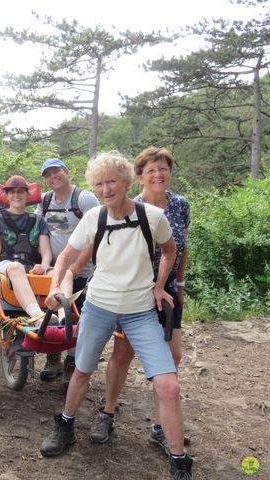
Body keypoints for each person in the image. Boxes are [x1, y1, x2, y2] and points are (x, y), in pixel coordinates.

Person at [39, 152, 193, 480]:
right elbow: (66, 256)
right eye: (99, 184)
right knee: (81, 372)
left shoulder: (152, 217)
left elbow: (171, 250)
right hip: (99, 306)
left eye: (111, 181)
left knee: (168, 385)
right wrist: (55, 287)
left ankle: (179, 460)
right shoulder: (94, 217)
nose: (106, 189)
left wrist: (160, 284)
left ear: (125, 182)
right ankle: (66, 425)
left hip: (140, 312)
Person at [90, 147, 190, 453]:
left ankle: (160, 427)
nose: (158, 175)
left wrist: (179, 284)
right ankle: (107, 413)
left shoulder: (180, 205)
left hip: (167, 291)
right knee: (123, 354)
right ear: (138, 177)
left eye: (163, 169)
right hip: (134, 293)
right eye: (151, 170)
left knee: (172, 359)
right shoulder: (132, 207)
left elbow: (180, 247)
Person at [36, 158, 99, 379]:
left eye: (57, 172)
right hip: (52, 272)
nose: (53, 177)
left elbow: (96, 235)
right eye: (48, 174)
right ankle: (53, 360)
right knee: (51, 315)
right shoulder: (44, 201)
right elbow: (38, 230)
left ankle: (73, 364)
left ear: (67, 172)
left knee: (77, 317)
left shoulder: (84, 199)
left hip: (80, 271)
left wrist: (76, 267)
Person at [0, 175, 52, 322]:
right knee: (16, 266)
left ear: (27, 195)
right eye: (12, 192)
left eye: (20, 191)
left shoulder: (38, 220)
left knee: (65, 273)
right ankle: (37, 316)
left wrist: (43, 267)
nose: (16, 195)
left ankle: (64, 318)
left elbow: (46, 252)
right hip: (4, 265)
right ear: (6, 195)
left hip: (31, 266)